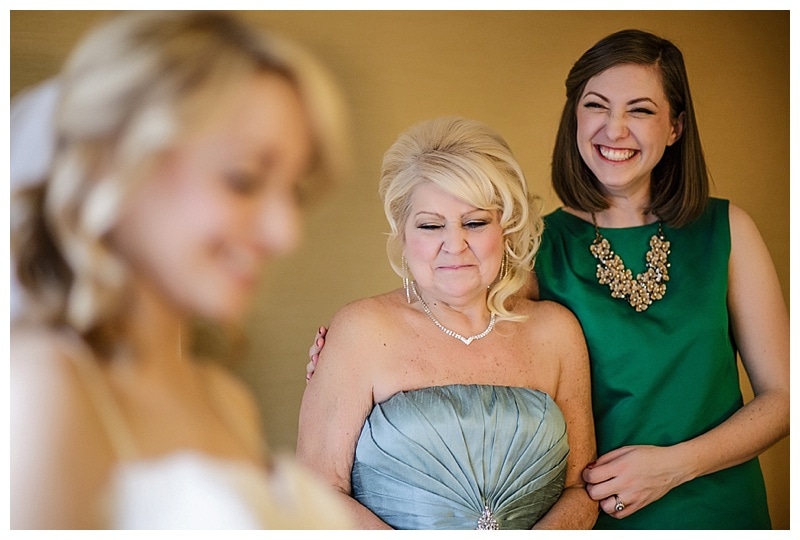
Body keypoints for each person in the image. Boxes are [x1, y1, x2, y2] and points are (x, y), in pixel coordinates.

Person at [307, 29, 789, 530]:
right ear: (574, 119)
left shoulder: (727, 230)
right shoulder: (537, 246)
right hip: (596, 518)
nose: (615, 129)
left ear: (675, 126)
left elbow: (784, 398)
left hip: (720, 507)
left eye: (641, 110)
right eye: (597, 106)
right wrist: (346, 356)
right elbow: (453, 325)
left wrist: (674, 466)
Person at [10, 11, 353, 529]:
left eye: (294, 192)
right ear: (117, 166)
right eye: (243, 179)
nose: (286, 233)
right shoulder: (46, 391)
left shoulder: (229, 401)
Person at [296, 116, 598, 530]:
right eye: (431, 225)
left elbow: (580, 490)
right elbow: (314, 494)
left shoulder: (556, 333)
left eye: (475, 222)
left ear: (506, 230)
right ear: (403, 235)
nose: (454, 245)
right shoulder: (361, 330)